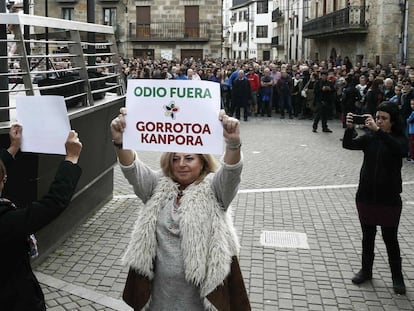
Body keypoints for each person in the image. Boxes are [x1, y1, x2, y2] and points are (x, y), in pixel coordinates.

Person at [110, 108, 251, 311]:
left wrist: (233, 143)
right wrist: (120, 141)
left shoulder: (214, 189)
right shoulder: (157, 185)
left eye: (189, 158)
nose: (181, 164)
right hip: (160, 296)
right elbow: (132, 168)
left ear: (202, 160)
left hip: (200, 300)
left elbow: (231, 172)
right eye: (175, 159)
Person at [0, 125, 82, 310]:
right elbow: (52, 203)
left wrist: (13, 147)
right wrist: (71, 158)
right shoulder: (6, 222)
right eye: (3, 179)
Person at [342, 102, 408, 295]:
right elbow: (349, 144)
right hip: (366, 195)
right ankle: (366, 270)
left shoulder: (398, 138)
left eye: (384, 118)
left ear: (393, 122)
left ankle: (397, 277)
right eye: (377, 117)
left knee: (390, 238)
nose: (379, 121)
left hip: (389, 197)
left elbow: (400, 149)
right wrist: (349, 129)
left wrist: (378, 131)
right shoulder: (371, 137)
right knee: (368, 236)